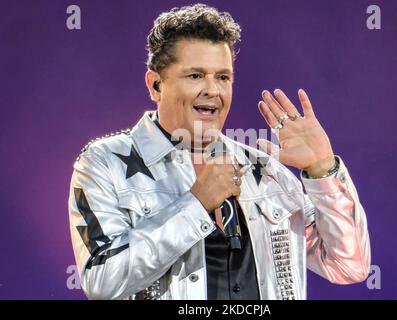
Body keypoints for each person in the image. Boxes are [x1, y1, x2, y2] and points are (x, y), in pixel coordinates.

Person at [68, 4, 370, 300]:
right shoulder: (104, 163)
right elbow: (102, 280)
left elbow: (348, 265)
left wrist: (322, 171)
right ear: (156, 85)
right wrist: (196, 205)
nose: (212, 89)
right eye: (195, 76)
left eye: (223, 77)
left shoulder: (264, 171)